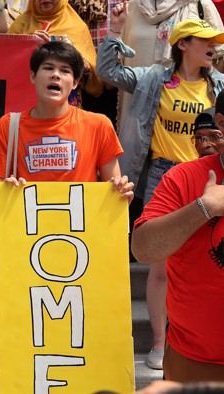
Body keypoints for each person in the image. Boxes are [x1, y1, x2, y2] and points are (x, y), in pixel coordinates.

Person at [97, 13, 224, 370]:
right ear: (183, 44)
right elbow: (108, 72)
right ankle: (159, 340)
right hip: (165, 175)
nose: (213, 46)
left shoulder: (219, 84)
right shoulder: (154, 77)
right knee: (160, 266)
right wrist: (114, 32)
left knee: (206, 259)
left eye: (216, 41)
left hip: (212, 177)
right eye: (205, 40)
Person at [0, 41, 134, 275]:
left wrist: (122, 192)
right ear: (32, 76)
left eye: (65, 71)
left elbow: (113, 188)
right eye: (48, 68)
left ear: (75, 83)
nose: (56, 75)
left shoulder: (99, 125)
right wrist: (7, 195)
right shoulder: (9, 126)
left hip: (83, 243)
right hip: (27, 241)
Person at [129, 89, 224, 382]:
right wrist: (204, 208)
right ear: (222, 122)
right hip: (195, 361)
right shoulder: (184, 178)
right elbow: (143, 249)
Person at [7, 0, 104, 107]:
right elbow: (4, 65)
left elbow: (96, 82)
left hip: (66, 108)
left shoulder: (76, 26)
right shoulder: (21, 23)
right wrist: (28, 43)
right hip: (24, 103)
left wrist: (81, 64)